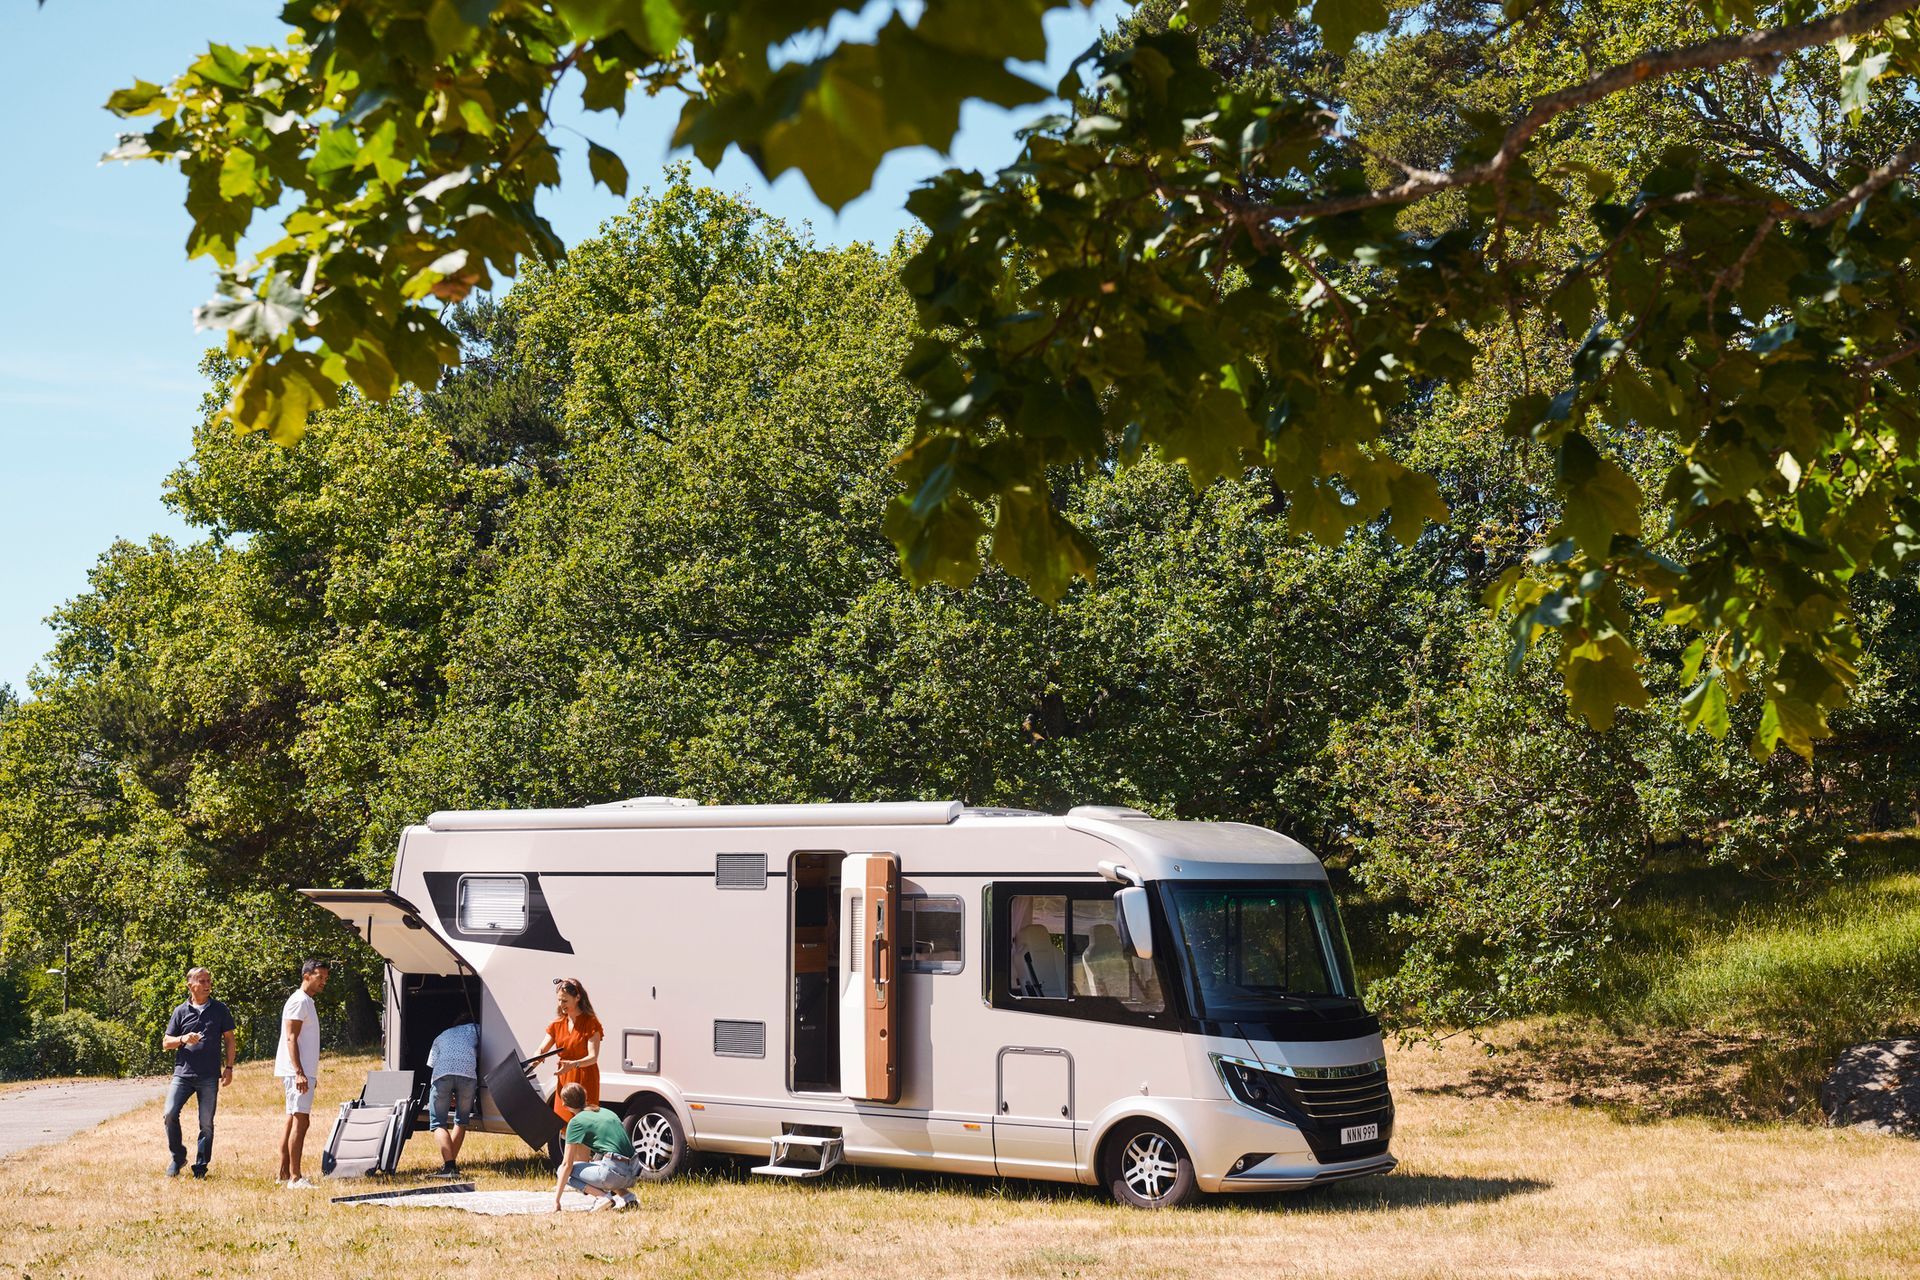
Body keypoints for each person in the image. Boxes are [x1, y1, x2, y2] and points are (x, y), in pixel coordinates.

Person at [159, 967, 235, 1178]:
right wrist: (183, 1038)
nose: (207, 984)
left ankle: (200, 1168)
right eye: (202, 981)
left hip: (209, 1076)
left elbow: (229, 1039)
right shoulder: (180, 1011)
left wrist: (229, 1067)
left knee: (206, 1124)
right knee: (170, 1114)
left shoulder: (220, 1009)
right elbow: (166, 1043)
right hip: (183, 1074)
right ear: (190, 985)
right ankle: (178, 1157)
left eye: (209, 980)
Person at [273, 958, 329, 1189]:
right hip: (298, 1071)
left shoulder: (307, 1001)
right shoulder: (299, 1001)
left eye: (326, 978)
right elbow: (291, 1037)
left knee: (293, 1119)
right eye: (320, 977)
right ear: (306, 976)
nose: (323, 982)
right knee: (301, 1120)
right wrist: (299, 1072)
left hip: (303, 1071)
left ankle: (284, 1173)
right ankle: (296, 1178)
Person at [549, 1082, 637, 1212]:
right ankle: (627, 1196)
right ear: (585, 1097)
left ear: (564, 1104)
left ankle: (602, 1197)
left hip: (613, 1174)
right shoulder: (606, 1112)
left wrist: (556, 1201)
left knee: (562, 1172)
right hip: (633, 1171)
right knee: (599, 1163)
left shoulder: (576, 1122)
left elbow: (566, 1165)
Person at [534, 977, 603, 1123]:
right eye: (559, 1000)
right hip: (565, 1079)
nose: (561, 1004)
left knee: (585, 1124)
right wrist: (535, 1059)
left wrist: (573, 1064)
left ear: (577, 997)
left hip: (585, 1078)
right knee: (564, 1124)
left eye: (564, 1001)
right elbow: (541, 1049)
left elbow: (593, 1057)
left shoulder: (591, 1023)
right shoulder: (557, 1024)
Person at [426, 1014, 480, 1178]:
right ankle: (450, 1166)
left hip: (442, 1074)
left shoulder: (442, 1035)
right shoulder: (478, 1029)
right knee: (461, 1121)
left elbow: (432, 1062)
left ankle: (449, 1167)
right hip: (468, 1074)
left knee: (438, 1123)